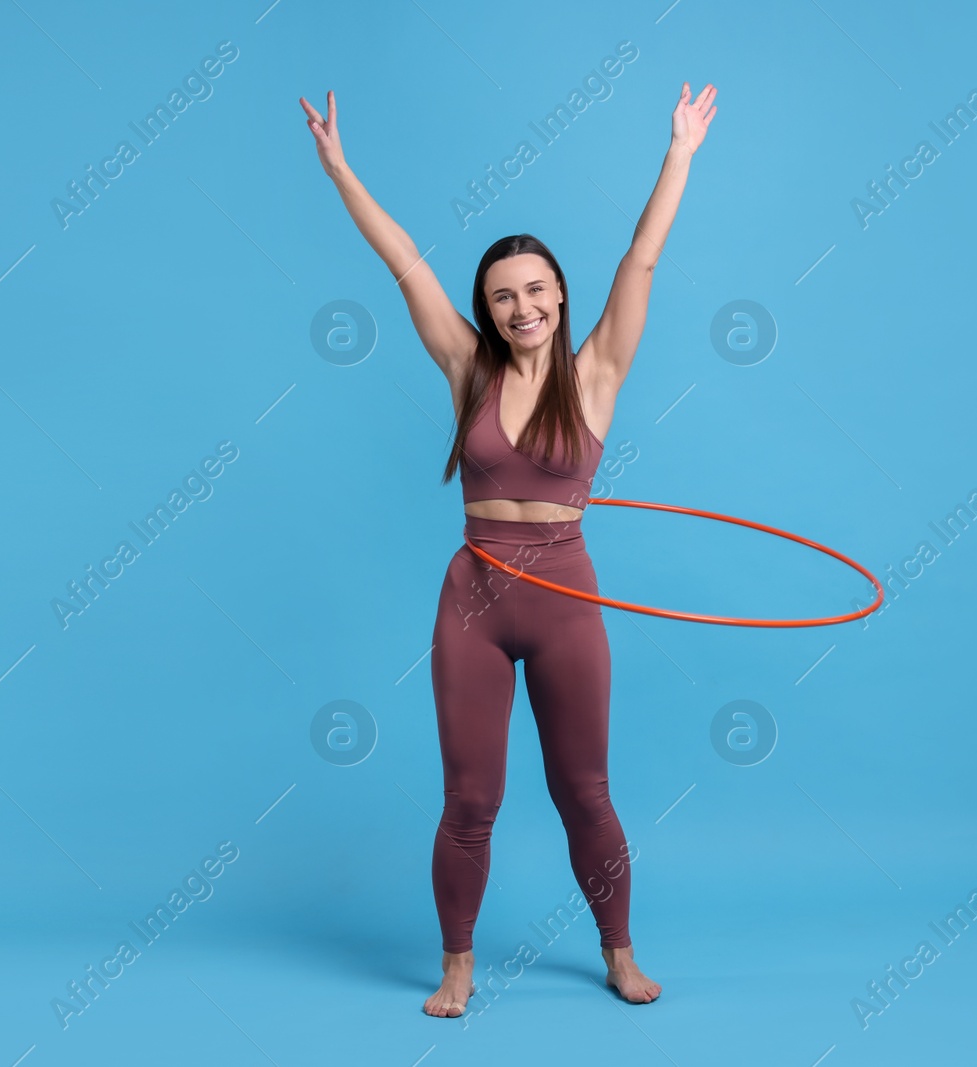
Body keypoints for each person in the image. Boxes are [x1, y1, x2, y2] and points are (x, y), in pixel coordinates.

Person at [299, 81, 717, 1018]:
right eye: (501, 297)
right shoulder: (466, 366)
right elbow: (403, 259)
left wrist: (679, 153)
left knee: (585, 793)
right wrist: (338, 167)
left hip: (565, 591)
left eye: (534, 289)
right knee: (471, 800)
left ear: (560, 293)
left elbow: (643, 262)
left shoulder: (598, 370)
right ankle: (457, 965)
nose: (521, 306)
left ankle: (618, 951)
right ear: (485, 311)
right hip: (476, 596)